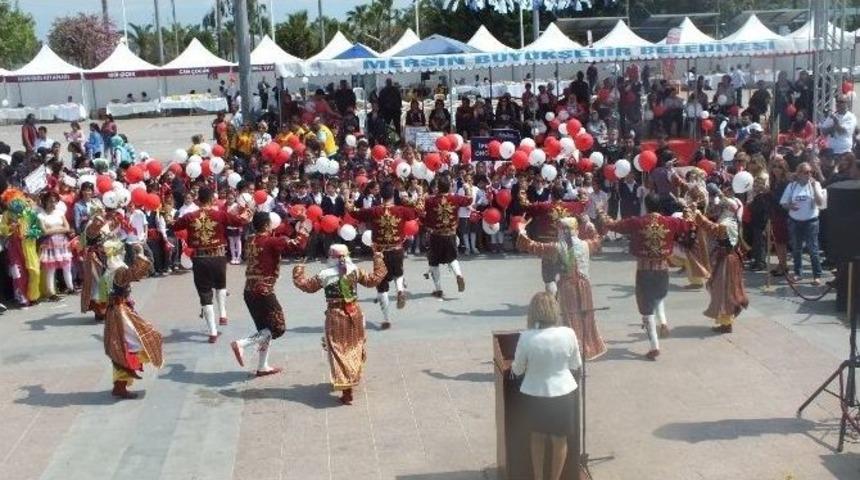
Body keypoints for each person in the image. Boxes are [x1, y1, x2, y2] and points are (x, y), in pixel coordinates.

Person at [598, 193, 693, 360]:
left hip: (644, 270)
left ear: (646, 205)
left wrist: (600, 212)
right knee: (658, 298)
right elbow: (689, 224)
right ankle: (663, 322)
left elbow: (611, 224)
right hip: (663, 270)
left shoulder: (637, 222)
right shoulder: (671, 222)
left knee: (646, 309)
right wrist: (686, 206)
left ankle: (654, 345)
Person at [292, 244, 386, 405]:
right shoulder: (355, 270)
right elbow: (375, 279)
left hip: (335, 315)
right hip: (355, 313)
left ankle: (346, 387)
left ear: (331, 257)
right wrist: (377, 257)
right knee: (355, 346)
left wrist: (299, 268)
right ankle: (352, 376)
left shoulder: (325, 274)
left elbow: (305, 285)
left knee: (338, 350)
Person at [511, 292, 582, 480]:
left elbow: (517, 370)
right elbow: (576, 365)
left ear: (533, 312)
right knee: (560, 440)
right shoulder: (569, 333)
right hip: (564, 393)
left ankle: (538, 477)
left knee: (537, 438)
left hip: (535, 394)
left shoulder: (526, 337)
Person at [231, 213, 309, 376]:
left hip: (249, 290)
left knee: (264, 329)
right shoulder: (272, 241)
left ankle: (262, 366)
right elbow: (298, 245)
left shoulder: (250, 239)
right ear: (267, 225)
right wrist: (304, 228)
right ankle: (242, 344)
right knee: (278, 328)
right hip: (263, 291)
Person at [517, 217, 606, 360]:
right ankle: (587, 349)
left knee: (568, 319)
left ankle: (572, 353)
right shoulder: (586, 244)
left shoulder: (557, 247)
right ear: (576, 230)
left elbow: (531, 246)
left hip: (567, 287)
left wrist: (522, 230)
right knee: (585, 317)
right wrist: (589, 224)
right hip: (585, 287)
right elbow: (598, 238)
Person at [172, 187, 251, 342]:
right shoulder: (220, 215)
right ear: (212, 200)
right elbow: (240, 221)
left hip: (200, 259)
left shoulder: (189, 216)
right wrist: (248, 210)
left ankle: (213, 332)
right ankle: (222, 313)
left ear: (198, 200)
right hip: (218, 256)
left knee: (205, 294)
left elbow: (174, 227)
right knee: (221, 285)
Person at [348, 182, 418, 329]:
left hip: (380, 252)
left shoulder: (374, 211)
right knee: (398, 273)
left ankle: (386, 319)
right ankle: (400, 290)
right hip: (397, 248)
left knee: (382, 286)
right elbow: (418, 211)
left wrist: (349, 202)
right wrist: (411, 198)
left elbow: (354, 212)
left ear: (381, 195)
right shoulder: (401, 210)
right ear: (394, 195)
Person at [101, 240, 164, 399]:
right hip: (119, 313)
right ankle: (120, 385)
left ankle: (120, 385)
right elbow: (136, 273)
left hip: (116, 311)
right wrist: (140, 253)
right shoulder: (118, 270)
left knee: (123, 347)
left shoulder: (109, 268)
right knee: (138, 343)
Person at [695, 188, 749, 333]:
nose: (719, 209)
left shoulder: (727, 223)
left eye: (723, 206)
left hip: (727, 260)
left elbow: (715, 230)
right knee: (719, 288)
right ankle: (725, 321)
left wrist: (700, 218)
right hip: (726, 259)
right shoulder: (729, 220)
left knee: (724, 290)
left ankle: (726, 323)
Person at [520, 185, 587, 294]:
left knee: (549, 278)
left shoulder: (544, 207)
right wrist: (581, 194)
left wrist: (522, 189)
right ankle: (566, 301)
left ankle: (553, 302)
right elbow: (584, 204)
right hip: (567, 246)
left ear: (551, 195)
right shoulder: (573, 206)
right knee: (567, 275)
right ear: (563, 194)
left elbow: (525, 205)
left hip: (549, 247)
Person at [422, 176, 473, 298]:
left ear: (438, 187)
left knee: (434, 262)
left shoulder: (430, 200)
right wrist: (467, 188)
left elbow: (423, 213)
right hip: (450, 234)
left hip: (436, 235)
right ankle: (458, 275)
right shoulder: (455, 198)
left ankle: (438, 289)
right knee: (452, 258)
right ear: (449, 186)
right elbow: (469, 200)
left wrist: (421, 195)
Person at [780, 162, 827, 285]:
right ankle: (797, 273)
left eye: (811, 172)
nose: (809, 174)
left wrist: (814, 187)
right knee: (796, 248)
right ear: (799, 173)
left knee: (813, 249)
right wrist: (790, 206)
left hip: (811, 221)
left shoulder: (815, 184)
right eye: (806, 172)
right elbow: (783, 203)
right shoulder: (792, 186)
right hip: (795, 221)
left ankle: (817, 275)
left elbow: (820, 202)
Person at [37, 191, 75, 300]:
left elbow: (67, 228)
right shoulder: (41, 215)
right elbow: (44, 231)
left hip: (62, 242)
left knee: (67, 265)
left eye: (54, 201)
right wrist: (59, 229)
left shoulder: (59, 213)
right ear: (45, 202)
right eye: (50, 201)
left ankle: (70, 287)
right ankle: (51, 293)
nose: (53, 204)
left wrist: (53, 229)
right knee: (50, 268)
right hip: (50, 244)